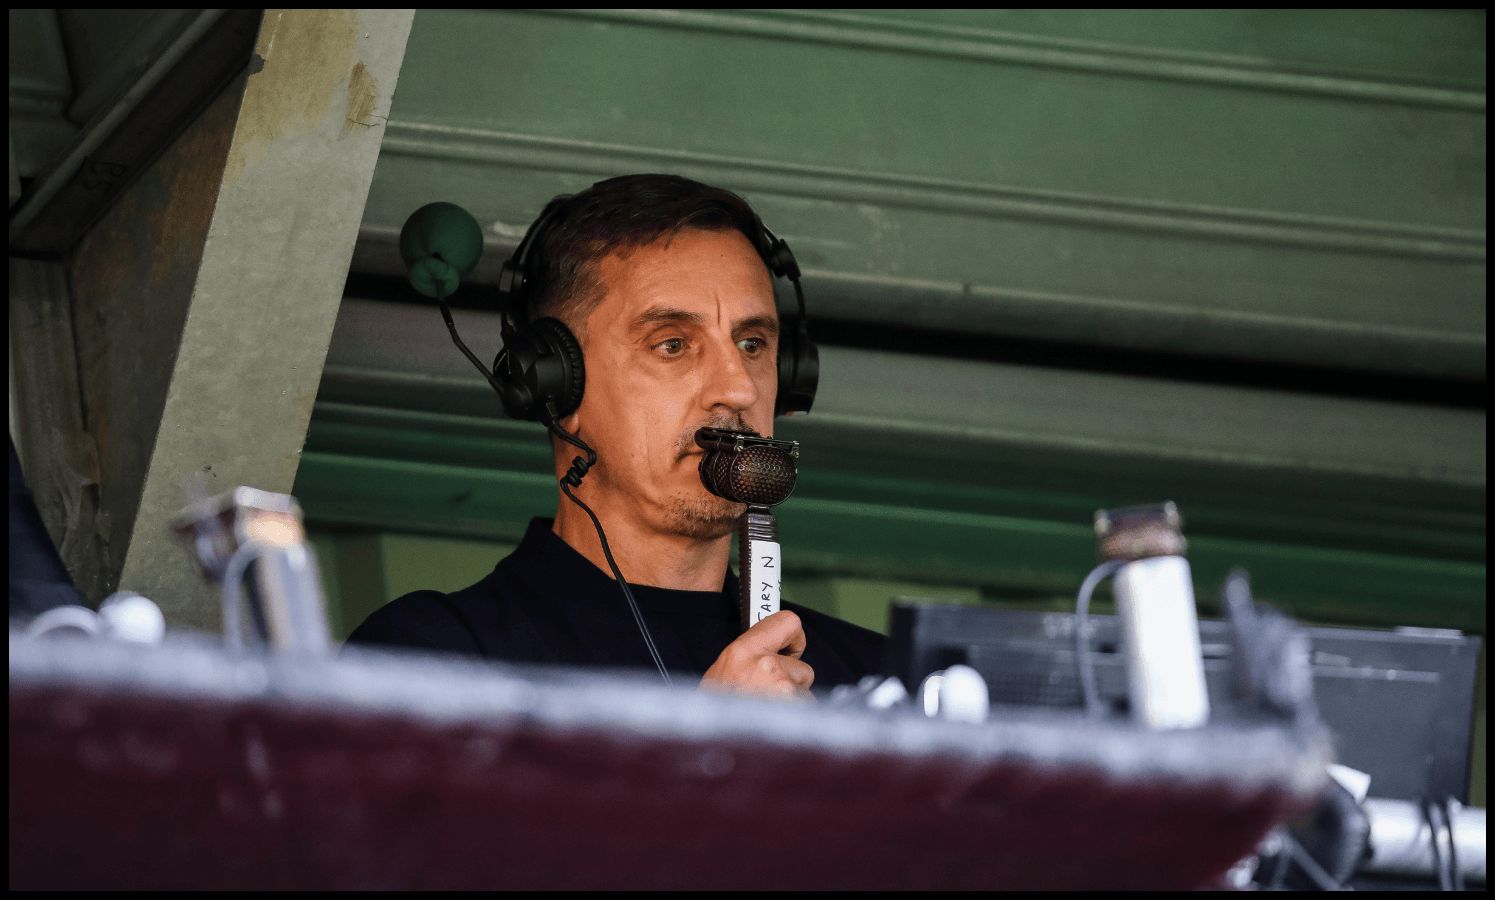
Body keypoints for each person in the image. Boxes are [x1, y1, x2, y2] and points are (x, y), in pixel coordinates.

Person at [347, 174, 884, 698]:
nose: (738, 389)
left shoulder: (882, 679)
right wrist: (711, 737)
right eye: (672, 344)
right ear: (556, 386)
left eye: (752, 344)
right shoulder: (427, 659)